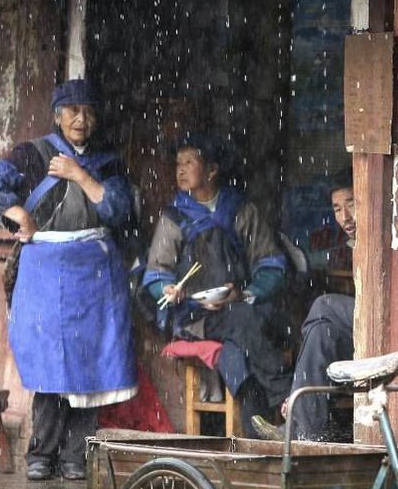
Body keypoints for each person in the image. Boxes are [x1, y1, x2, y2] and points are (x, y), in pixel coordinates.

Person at [0, 79, 136, 481]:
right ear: (57, 115)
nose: (80, 119)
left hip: (95, 275)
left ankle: (77, 456)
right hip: (44, 271)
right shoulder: (33, 154)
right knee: (49, 363)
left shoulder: (107, 163)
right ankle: (41, 453)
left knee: (90, 365)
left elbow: (117, 210)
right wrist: (18, 213)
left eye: (87, 111)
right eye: (72, 111)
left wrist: (80, 175)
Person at [142, 135, 291, 435]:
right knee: (242, 321)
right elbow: (157, 273)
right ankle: (288, 398)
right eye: (177, 164)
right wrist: (169, 291)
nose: (180, 170)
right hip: (194, 317)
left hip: (242, 309)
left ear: (211, 170)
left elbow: (272, 265)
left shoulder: (241, 211)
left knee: (236, 356)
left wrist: (247, 292)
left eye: (189, 162)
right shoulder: (174, 217)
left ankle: (256, 440)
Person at [252, 170, 356, 442]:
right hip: (361, 328)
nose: (345, 216)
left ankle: (296, 404)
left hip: (391, 327)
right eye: (337, 208)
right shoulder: (353, 244)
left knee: (322, 305)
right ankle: (308, 434)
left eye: (352, 204)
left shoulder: (386, 236)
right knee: (321, 334)